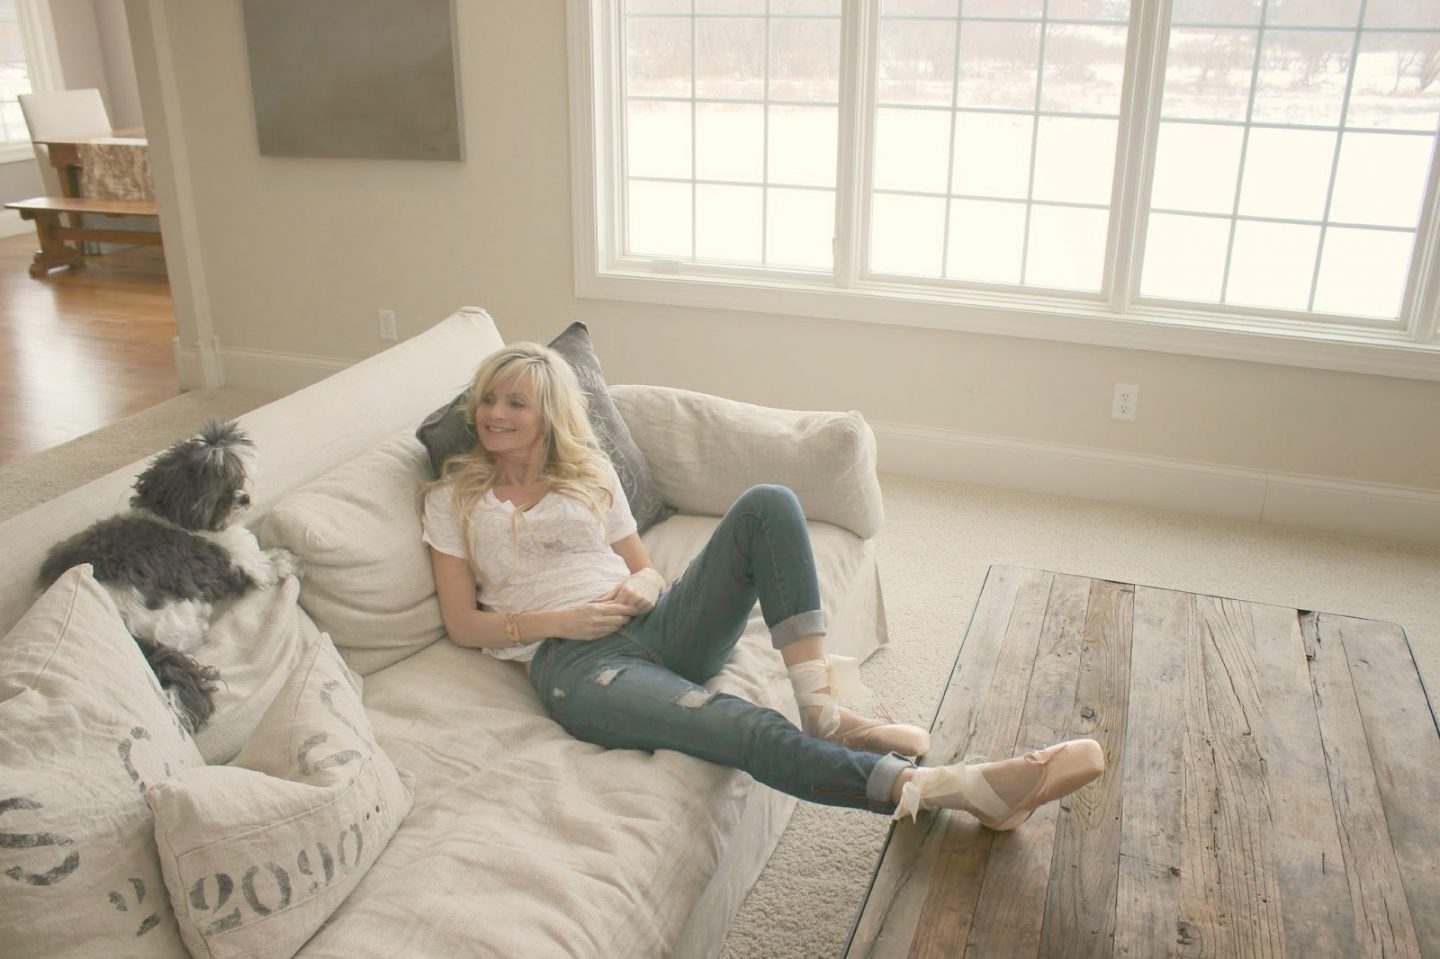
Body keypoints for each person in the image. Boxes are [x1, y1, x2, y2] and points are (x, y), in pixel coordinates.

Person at [421, 343, 1104, 827]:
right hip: (576, 662)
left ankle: (825, 710)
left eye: (515, 401)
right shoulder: (455, 498)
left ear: (549, 416)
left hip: (656, 626)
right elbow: (463, 623)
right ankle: (957, 789)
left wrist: (646, 586)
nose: (493, 413)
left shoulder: (591, 472)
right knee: (741, 723)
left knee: (770, 502)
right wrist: (561, 622)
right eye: (487, 399)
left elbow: (645, 564)